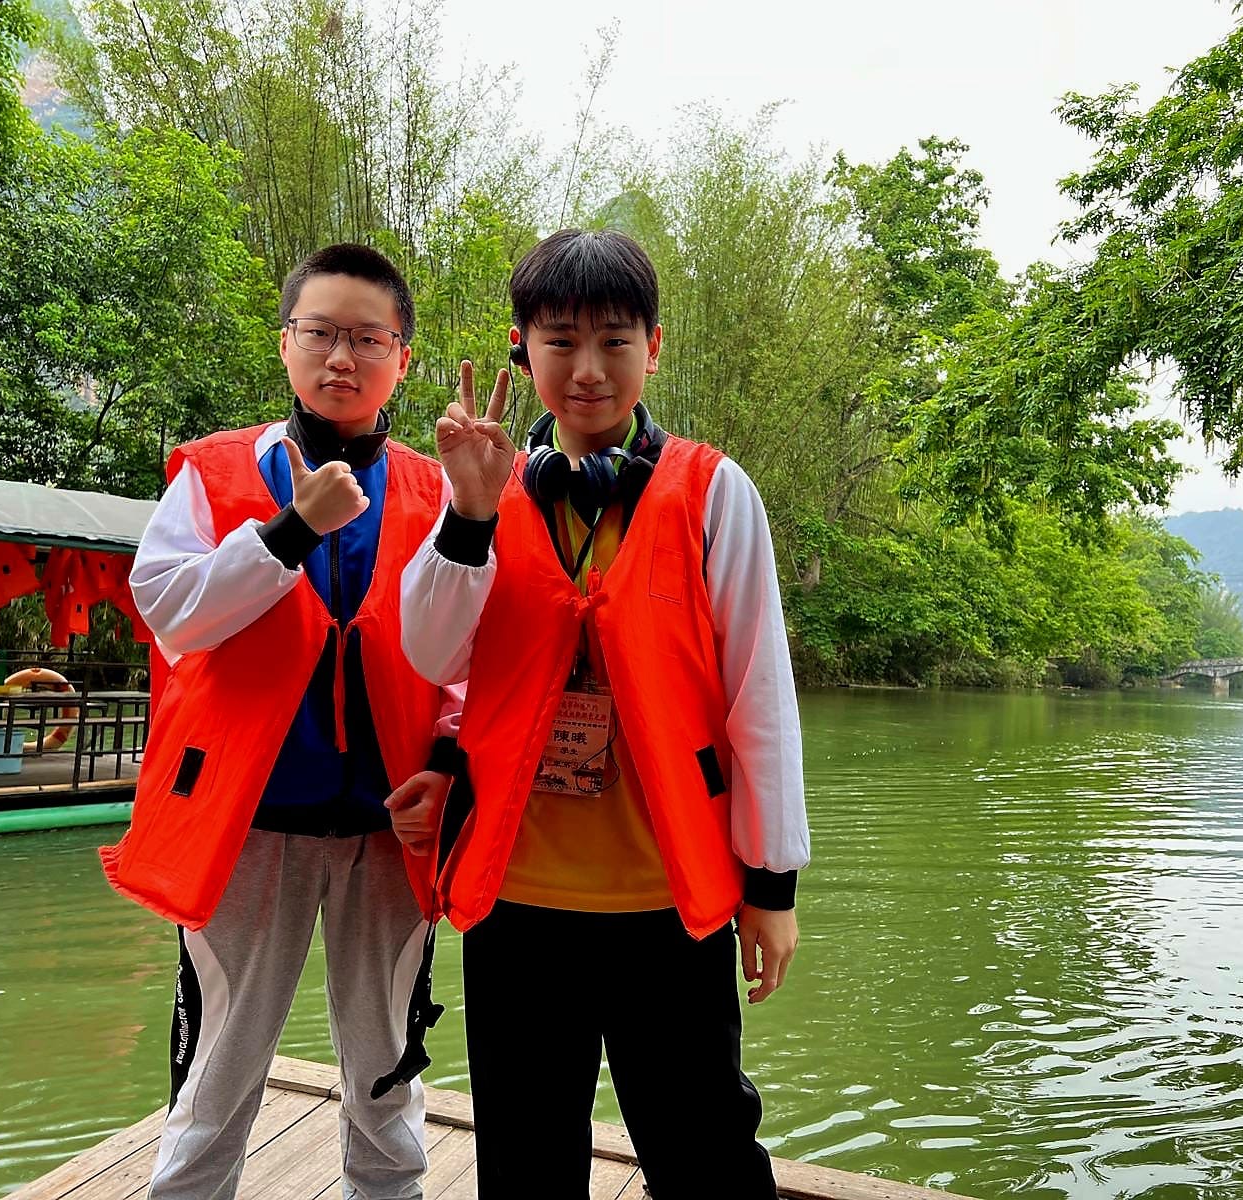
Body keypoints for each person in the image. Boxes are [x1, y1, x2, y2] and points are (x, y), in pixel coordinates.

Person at [396, 228, 810, 1198]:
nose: (587, 369)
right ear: (521, 349)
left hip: (670, 899)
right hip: (517, 900)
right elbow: (429, 653)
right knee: (526, 1165)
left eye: (614, 341)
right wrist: (467, 514)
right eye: (561, 341)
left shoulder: (713, 492)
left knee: (704, 1156)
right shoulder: (482, 488)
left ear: (653, 348)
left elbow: (760, 697)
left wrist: (771, 885)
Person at [101, 243, 461, 1200]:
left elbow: (466, 654)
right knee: (218, 1074)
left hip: (389, 828)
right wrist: (290, 531)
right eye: (321, 333)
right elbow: (169, 611)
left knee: (386, 1074)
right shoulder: (217, 470)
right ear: (286, 343)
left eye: (367, 338)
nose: (342, 357)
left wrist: (448, 759)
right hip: (245, 823)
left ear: (402, 358)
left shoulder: (436, 490)